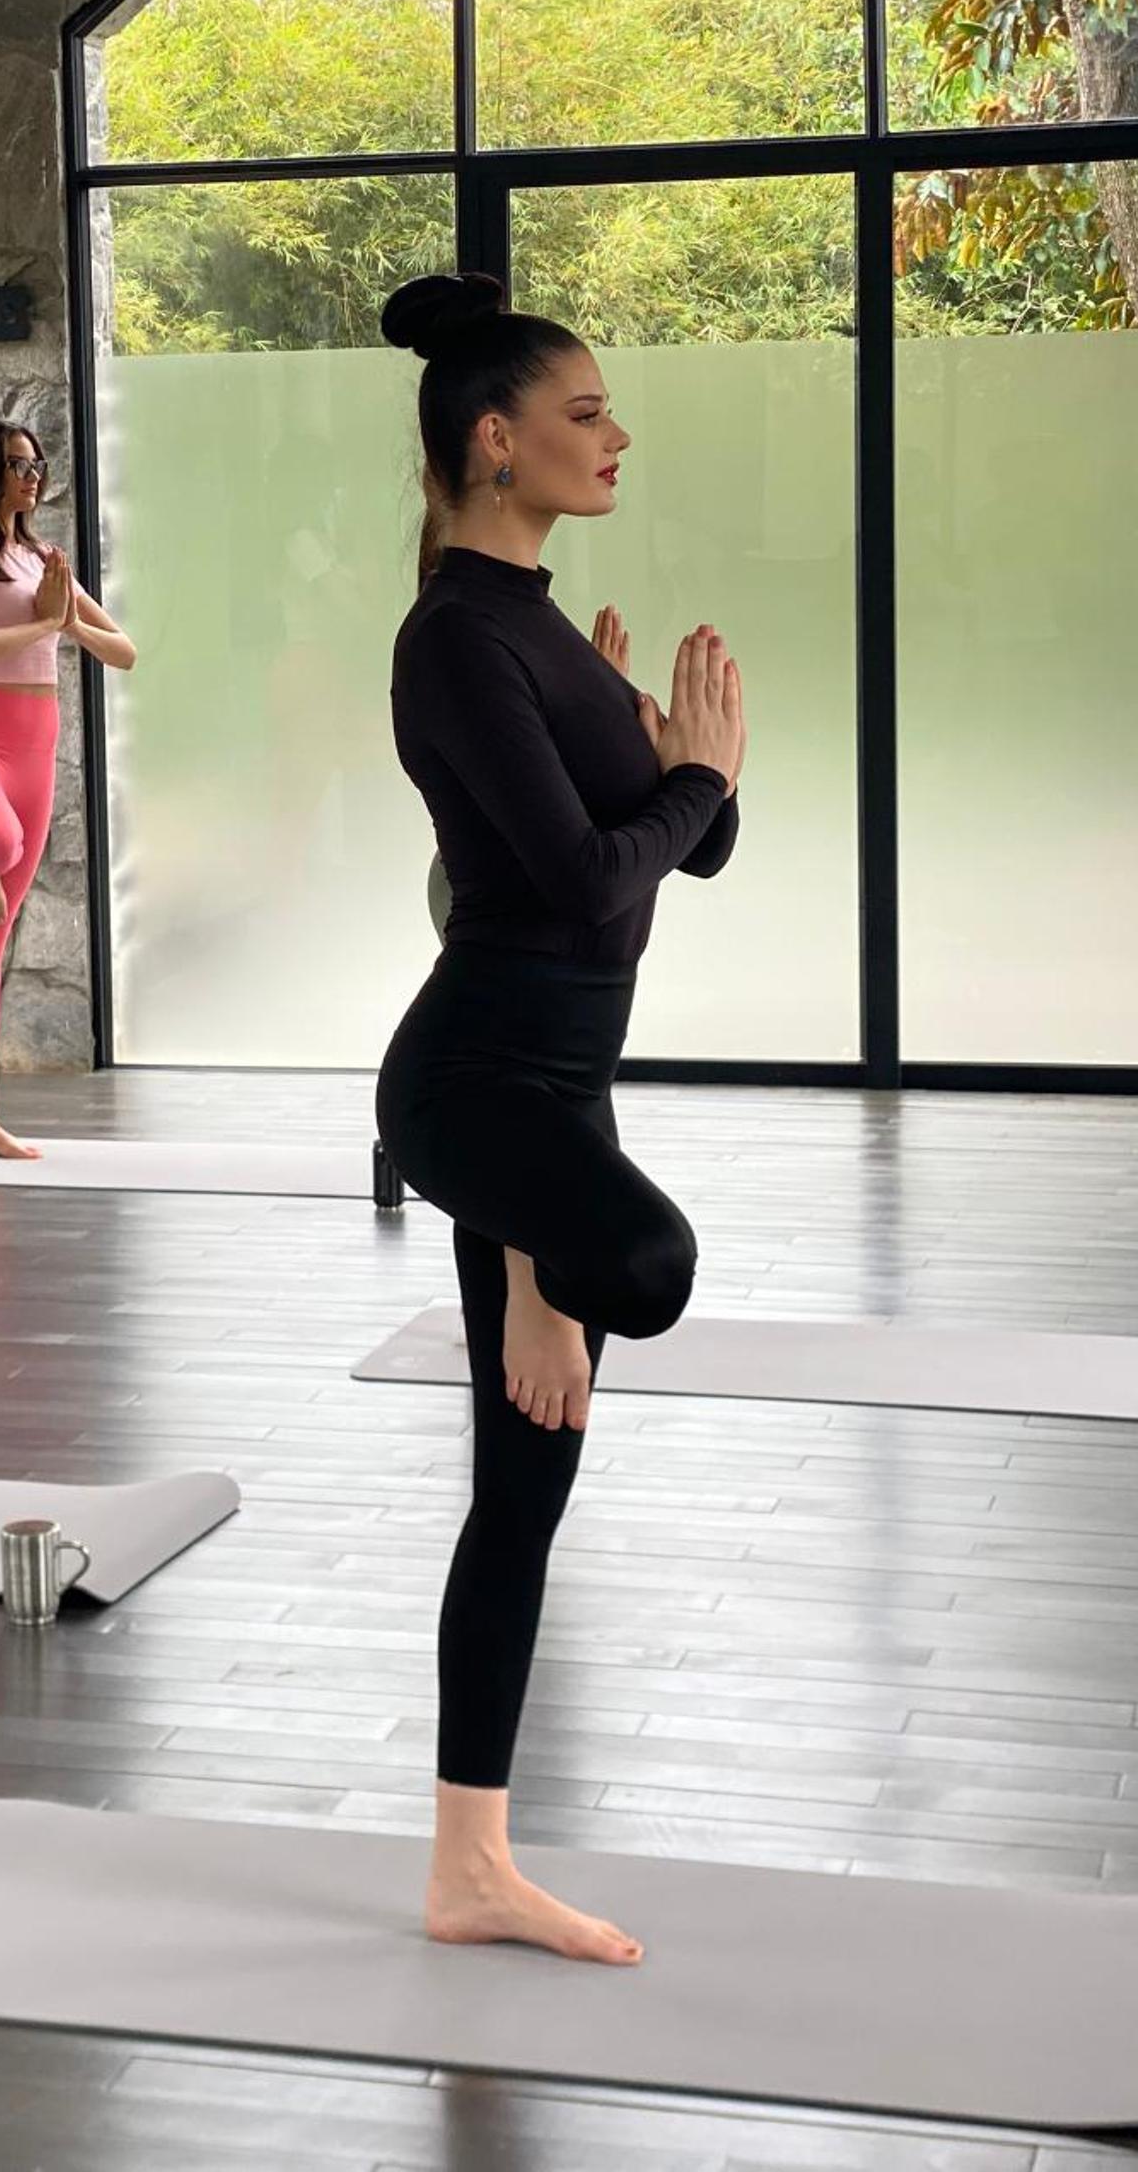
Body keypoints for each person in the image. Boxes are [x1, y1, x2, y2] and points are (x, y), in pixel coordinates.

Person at [372, 272, 746, 1967]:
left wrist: (678, 761)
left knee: (526, 1489)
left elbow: (688, 856)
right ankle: (544, 1247)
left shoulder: (538, 629)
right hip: (471, 1089)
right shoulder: (458, 637)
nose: (616, 437)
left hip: (552, 1099)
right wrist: (692, 776)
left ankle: (471, 1866)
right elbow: (593, 881)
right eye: (584, 414)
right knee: (647, 1266)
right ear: (492, 440)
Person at [0, 418, 135, 1159]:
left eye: (36, 462)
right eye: (18, 463)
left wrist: (67, 621)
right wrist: (41, 624)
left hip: (33, 757)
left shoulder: (44, 560)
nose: (33, 474)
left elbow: (124, 651)